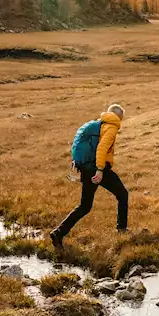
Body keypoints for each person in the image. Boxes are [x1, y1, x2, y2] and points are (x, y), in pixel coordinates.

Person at [51, 103, 128, 249]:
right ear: (119, 116)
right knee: (123, 194)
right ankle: (122, 230)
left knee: (85, 206)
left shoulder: (100, 124)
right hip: (97, 169)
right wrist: (99, 170)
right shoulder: (111, 127)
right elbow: (102, 149)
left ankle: (58, 233)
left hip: (87, 168)